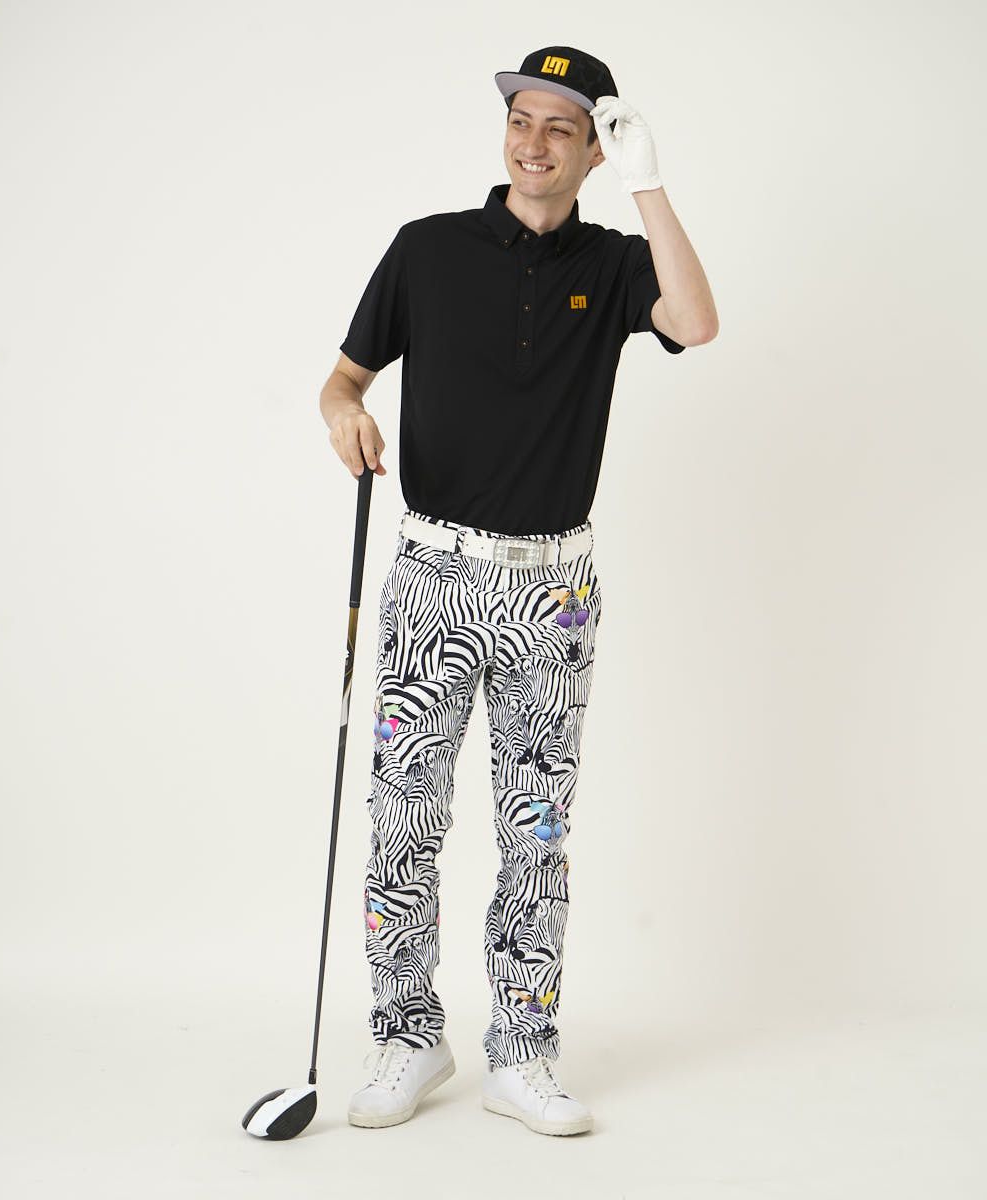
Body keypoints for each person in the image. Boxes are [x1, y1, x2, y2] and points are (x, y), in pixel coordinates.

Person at [318, 45, 718, 1136]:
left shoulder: (617, 261)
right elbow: (343, 380)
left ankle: (522, 1053)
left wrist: (648, 183)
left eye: (560, 128)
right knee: (403, 820)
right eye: (519, 120)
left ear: (592, 151)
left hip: (554, 591)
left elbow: (695, 322)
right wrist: (345, 414)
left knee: (535, 836)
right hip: (434, 575)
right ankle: (408, 1035)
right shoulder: (427, 248)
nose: (532, 143)